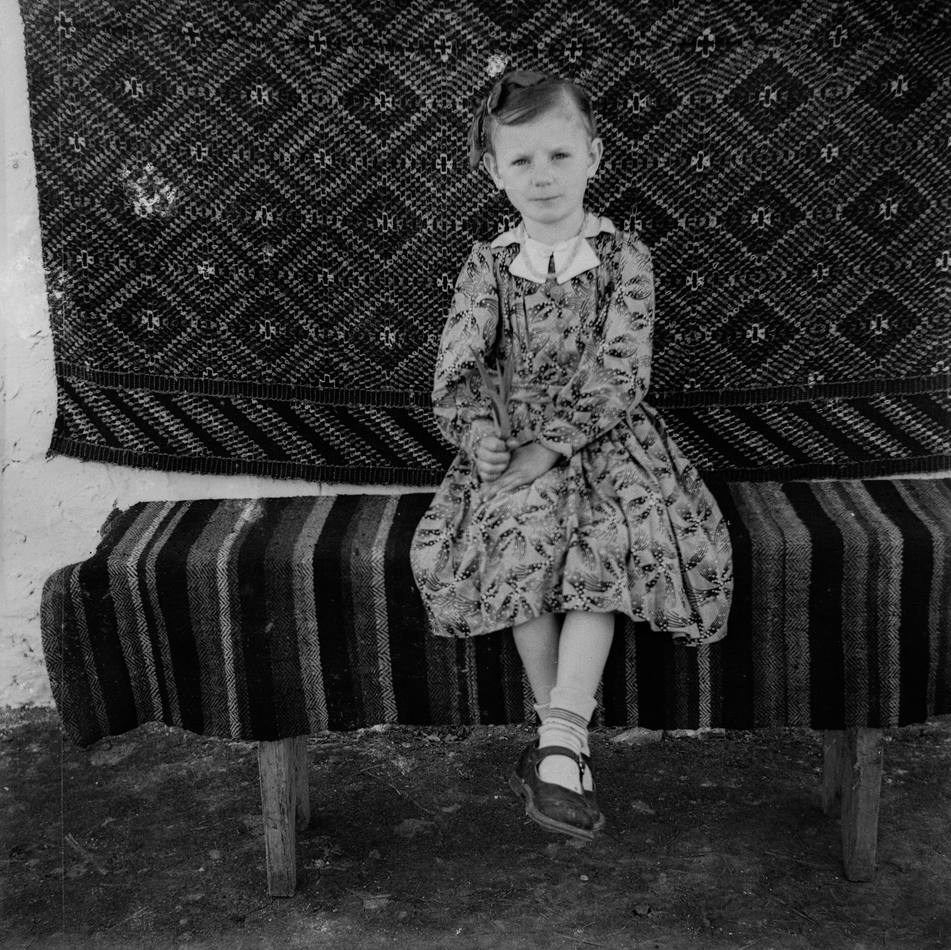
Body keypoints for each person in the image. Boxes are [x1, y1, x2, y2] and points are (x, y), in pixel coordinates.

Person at [410, 69, 733, 841]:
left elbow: (623, 367)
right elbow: (458, 367)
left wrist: (554, 445)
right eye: (521, 161)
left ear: (593, 155)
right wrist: (483, 434)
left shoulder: (624, 257)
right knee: (519, 532)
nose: (543, 176)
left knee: (609, 537)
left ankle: (558, 742)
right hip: (513, 434)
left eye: (559, 155)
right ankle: (562, 749)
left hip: (608, 438)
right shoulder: (488, 265)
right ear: (493, 171)